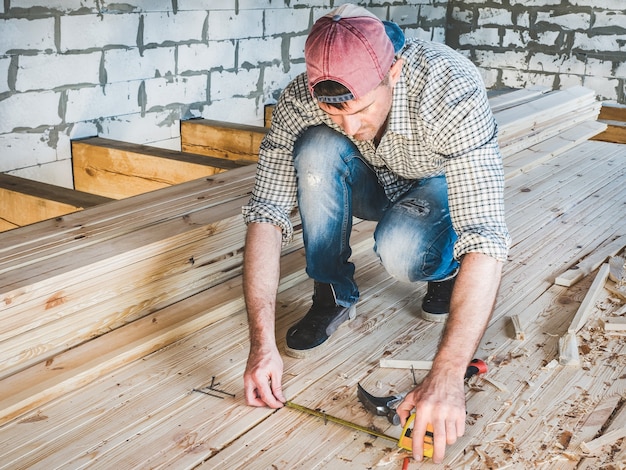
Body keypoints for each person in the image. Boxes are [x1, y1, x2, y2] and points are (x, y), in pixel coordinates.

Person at [242, 3, 510, 463]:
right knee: (317, 147)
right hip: (375, 179)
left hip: (438, 187)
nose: (350, 126)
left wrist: (445, 376)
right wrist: (260, 344)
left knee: (401, 246)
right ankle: (331, 292)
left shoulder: (449, 90)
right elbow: (266, 211)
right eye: (334, 109)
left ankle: (442, 272)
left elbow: (484, 234)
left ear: (394, 70)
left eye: (361, 108)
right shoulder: (300, 100)